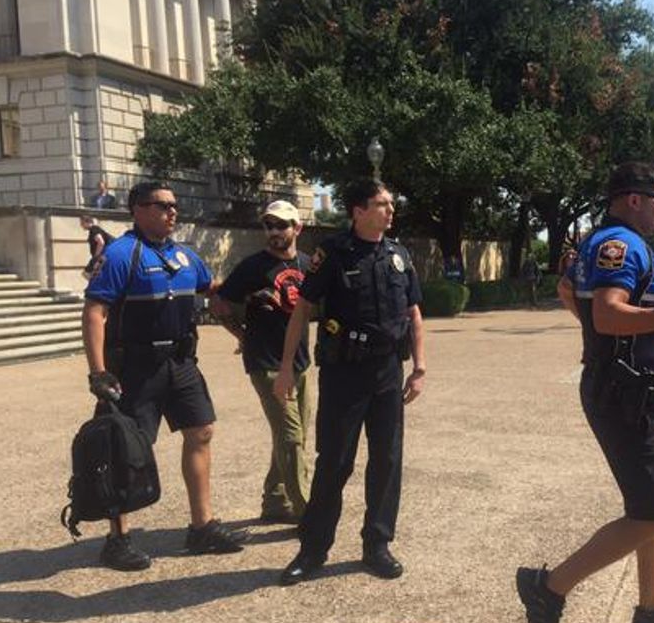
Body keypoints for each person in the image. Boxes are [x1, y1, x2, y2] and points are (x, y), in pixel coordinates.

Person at [516, 161, 654, 623]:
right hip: (622, 392)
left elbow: (569, 291)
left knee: (653, 504)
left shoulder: (607, 242)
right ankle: (548, 587)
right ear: (635, 199)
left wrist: (597, 333)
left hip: (628, 389)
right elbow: (608, 315)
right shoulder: (621, 245)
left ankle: (652, 611)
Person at [82, 181, 248, 571]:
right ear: (138, 209)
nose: (173, 212)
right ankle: (117, 539)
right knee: (126, 447)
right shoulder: (122, 254)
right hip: (136, 368)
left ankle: (202, 527)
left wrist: (244, 330)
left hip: (181, 364)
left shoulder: (186, 256)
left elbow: (216, 296)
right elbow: (94, 313)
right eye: (163, 205)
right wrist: (98, 372)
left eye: (175, 206)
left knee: (201, 431)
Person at [273, 178, 426, 586]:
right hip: (345, 374)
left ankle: (377, 544)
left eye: (392, 203)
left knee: (387, 461)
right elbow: (302, 309)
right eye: (382, 203)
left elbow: (413, 313)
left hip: (388, 373)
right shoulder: (335, 254)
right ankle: (313, 550)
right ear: (358, 211)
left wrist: (421, 367)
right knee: (335, 463)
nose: (391, 210)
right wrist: (288, 366)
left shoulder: (398, 254)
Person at [210, 200, 313, 524]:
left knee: (293, 436)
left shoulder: (309, 265)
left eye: (281, 225)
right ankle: (308, 513)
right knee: (291, 437)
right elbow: (219, 302)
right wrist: (240, 334)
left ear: (297, 228)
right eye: (268, 225)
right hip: (266, 362)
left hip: (300, 362)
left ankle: (275, 499)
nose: (273, 232)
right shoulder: (252, 267)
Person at [79, 214, 114, 280]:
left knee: (87, 273)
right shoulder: (95, 229)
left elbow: (101, 242)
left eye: (82, 223)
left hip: (102, 257)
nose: (81, 225)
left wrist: (96, 257)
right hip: (104, 257)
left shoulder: (94, 229)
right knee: (94, 275)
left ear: (87, 222)